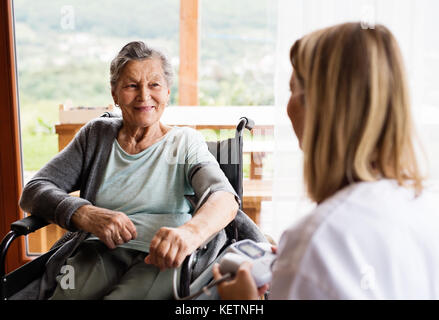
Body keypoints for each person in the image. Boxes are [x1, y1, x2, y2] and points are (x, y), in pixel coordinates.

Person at [213, 22, 439, 299]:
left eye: (292, 89)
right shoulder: (425, 207)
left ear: (320, 108)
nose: (287, 107)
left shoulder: (317, 242)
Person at [19, 41, 240, 299]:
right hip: (97, 250)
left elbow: (223, 198)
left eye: (154, 85)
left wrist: (190, 234)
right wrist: (83, 213)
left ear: (167, 92)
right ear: (114, 93)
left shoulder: (185, 142)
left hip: (161, 255)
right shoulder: (96, 136)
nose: (144, 96)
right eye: (131, 85)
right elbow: (34, 190)